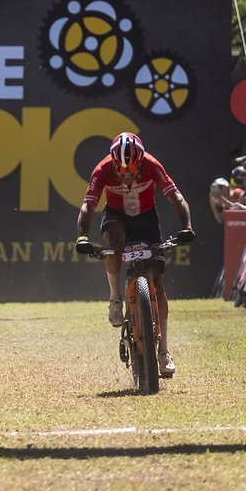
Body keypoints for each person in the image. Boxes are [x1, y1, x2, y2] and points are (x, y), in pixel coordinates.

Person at [76, 132, 194, 376]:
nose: (127, 174)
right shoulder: (102, 170)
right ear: (113, 164)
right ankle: (114, 299)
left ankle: (164, 351)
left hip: (147, 220)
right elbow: (88, 205)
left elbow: (177, 198)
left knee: (158, 284)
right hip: (116, 218)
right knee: (111, 241)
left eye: (132, 170)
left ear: (141, 163)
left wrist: (187, 228)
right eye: (121, 170)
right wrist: (82, 236)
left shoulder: (151, 165)